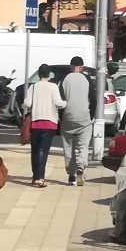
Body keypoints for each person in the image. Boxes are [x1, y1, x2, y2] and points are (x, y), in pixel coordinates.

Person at [26, 64, 63, 187]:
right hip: (50, 123)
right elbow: (58, 103)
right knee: (43, 150)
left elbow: (27, 103)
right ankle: (40, 178)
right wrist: (66, 103)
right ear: (49, 74)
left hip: (35, 122)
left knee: (35, 150)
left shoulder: (34, 87)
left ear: (38, 74)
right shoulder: (53, 87)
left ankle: (35, 176)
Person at [59, 55, 93, 187]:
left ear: (70, 67)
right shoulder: (87, 79)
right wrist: (92, 114)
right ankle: (81, 168)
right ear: (82, 67)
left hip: (68, 115)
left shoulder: (64, 79)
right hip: (84, 117)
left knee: (68, 146)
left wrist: (62, 116)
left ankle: (71, 175)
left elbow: (61, 101)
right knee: (82, 146)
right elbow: (94, 98)